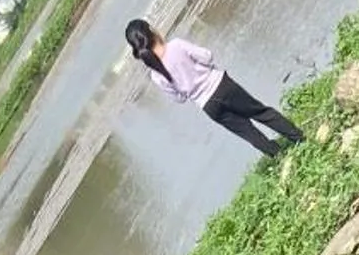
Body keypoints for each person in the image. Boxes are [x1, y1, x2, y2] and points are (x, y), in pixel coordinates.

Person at [124, 18, 303, 158]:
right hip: (222, 86)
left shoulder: (156, 76)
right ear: (152, 31)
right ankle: (298, 137)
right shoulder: (176, 45)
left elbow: (179, 98)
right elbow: (207, 56)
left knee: (248, 132)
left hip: (208, 106)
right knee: (261, 112)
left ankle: (280, 157)